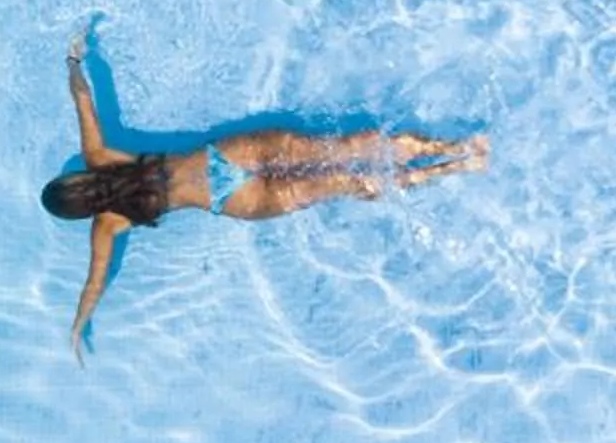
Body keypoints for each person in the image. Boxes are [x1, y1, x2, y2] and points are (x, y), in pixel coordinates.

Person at [42, 27, 487, 360]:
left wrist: (79, 324)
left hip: (236, 202)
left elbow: (95, 280)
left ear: (80, 211)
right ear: (72, 182)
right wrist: (72, 60)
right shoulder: (99, 157)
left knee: (346, 184)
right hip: (230, 158)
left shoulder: (107, 225)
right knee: (348, 149)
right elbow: (84, 102)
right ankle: (454, 147)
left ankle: (456, 168)